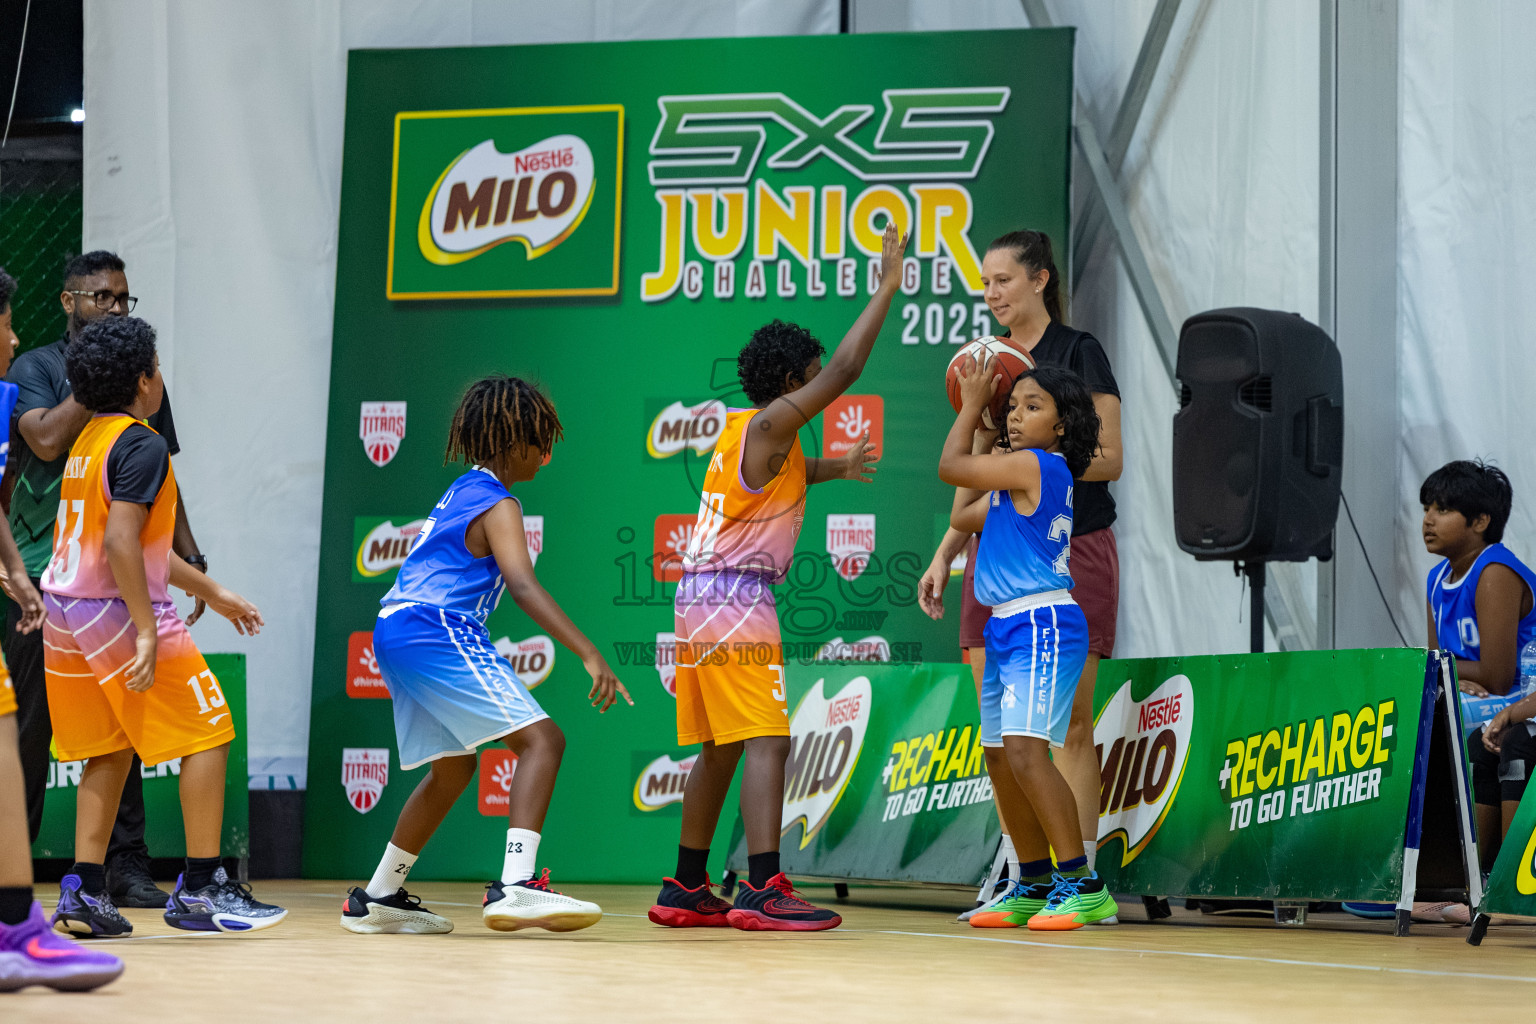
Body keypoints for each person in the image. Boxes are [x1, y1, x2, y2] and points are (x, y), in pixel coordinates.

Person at [647, 223, 902, 932]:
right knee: (768, 737)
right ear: (793, 385)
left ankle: (687, 885)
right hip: (733, 597)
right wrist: (885, 286)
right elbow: (848, 369)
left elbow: (788, 472)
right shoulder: (767, 428)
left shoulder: (751, 435)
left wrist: (838, 468)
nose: (823, 379)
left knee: (722, 745)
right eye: (811, 374)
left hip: (698, 595)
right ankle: (763, 887)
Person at [342, 375, 630, 935]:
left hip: (394, 629)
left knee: (453, 769)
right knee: (543, 740)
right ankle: (517, 887)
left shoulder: (461, 489)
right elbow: (522, 585)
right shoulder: (499, 502)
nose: (547, 454)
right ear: (511, 440)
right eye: (539, 440)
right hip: (435, 626)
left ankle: (378, 895)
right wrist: (588, 652)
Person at [41, 316, 282, 936]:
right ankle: (202, 888)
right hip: (115, 612)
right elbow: (123, 542)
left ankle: (84, 890)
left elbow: (135, 542)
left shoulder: (88, 441)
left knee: (109, 748)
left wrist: (214, 591)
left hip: (64, 616)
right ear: (144, 380)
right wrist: (147, 630)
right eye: (159, 367)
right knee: (210, 732)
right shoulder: (143, 442)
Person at [919, 229, 1122, 920]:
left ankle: (1081, 880)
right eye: (1015, 405)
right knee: (1001, 753)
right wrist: (946, 547)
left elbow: (953, 471)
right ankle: (1030, 877)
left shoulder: (1043, 457)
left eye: (1003, 278)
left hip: (1042, 610)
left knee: (1044, 744)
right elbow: (963, 504)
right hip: (1008, 616)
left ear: (1039, 279)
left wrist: (981, 414)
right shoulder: (1014, 471)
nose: (992, 293)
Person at [4, 250, 210, 910]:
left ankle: (110, 875)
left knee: (118, 742)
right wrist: (96, 382)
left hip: (84, 588)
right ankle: (20, 873)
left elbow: (157, 485)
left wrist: (197, 565)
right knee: (36, 732)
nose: (114, 307)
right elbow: (40, 441)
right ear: (69, 302)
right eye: (100, 297)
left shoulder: (136, 409)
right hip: (45, 580)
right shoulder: (35, 368)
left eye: (123, 299)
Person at [0, 266, 122, 991]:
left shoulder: (0, 398)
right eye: (5, 325)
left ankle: (17, 924)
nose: (12, 338)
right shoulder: (36, 384)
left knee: (10, 743)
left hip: (38, 587)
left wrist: (13, 570)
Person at [1421, 460, 1536, 869]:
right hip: (1481, 695)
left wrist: (1447, 673)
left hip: (1520, 698)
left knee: (1434, 726)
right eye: (1425, 508)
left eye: (1442, 509)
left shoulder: (1495, 572)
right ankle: (1432, 871)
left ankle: (1473, 872)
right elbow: (1437, 664)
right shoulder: (1437, 579)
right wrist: (1444, 673)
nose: (1428, 520)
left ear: (1481, 520)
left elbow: (1498, 676)